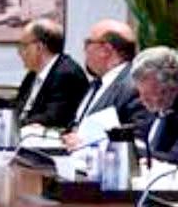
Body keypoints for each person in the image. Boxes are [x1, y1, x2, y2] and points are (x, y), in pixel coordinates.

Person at [63, 19, 149, 148]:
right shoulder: (96, 84)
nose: (84, 50)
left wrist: (86, 142)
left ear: (106, 50)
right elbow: (76, 125)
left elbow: (138, 141)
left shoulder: (134, 87)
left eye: (88, 43)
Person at [131, 46, 178, 161]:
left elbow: (174, 159)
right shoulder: (154, 110)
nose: (142, 100)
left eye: (148, 94)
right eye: (140, 93)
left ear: (172, 88)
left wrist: (132, 150)